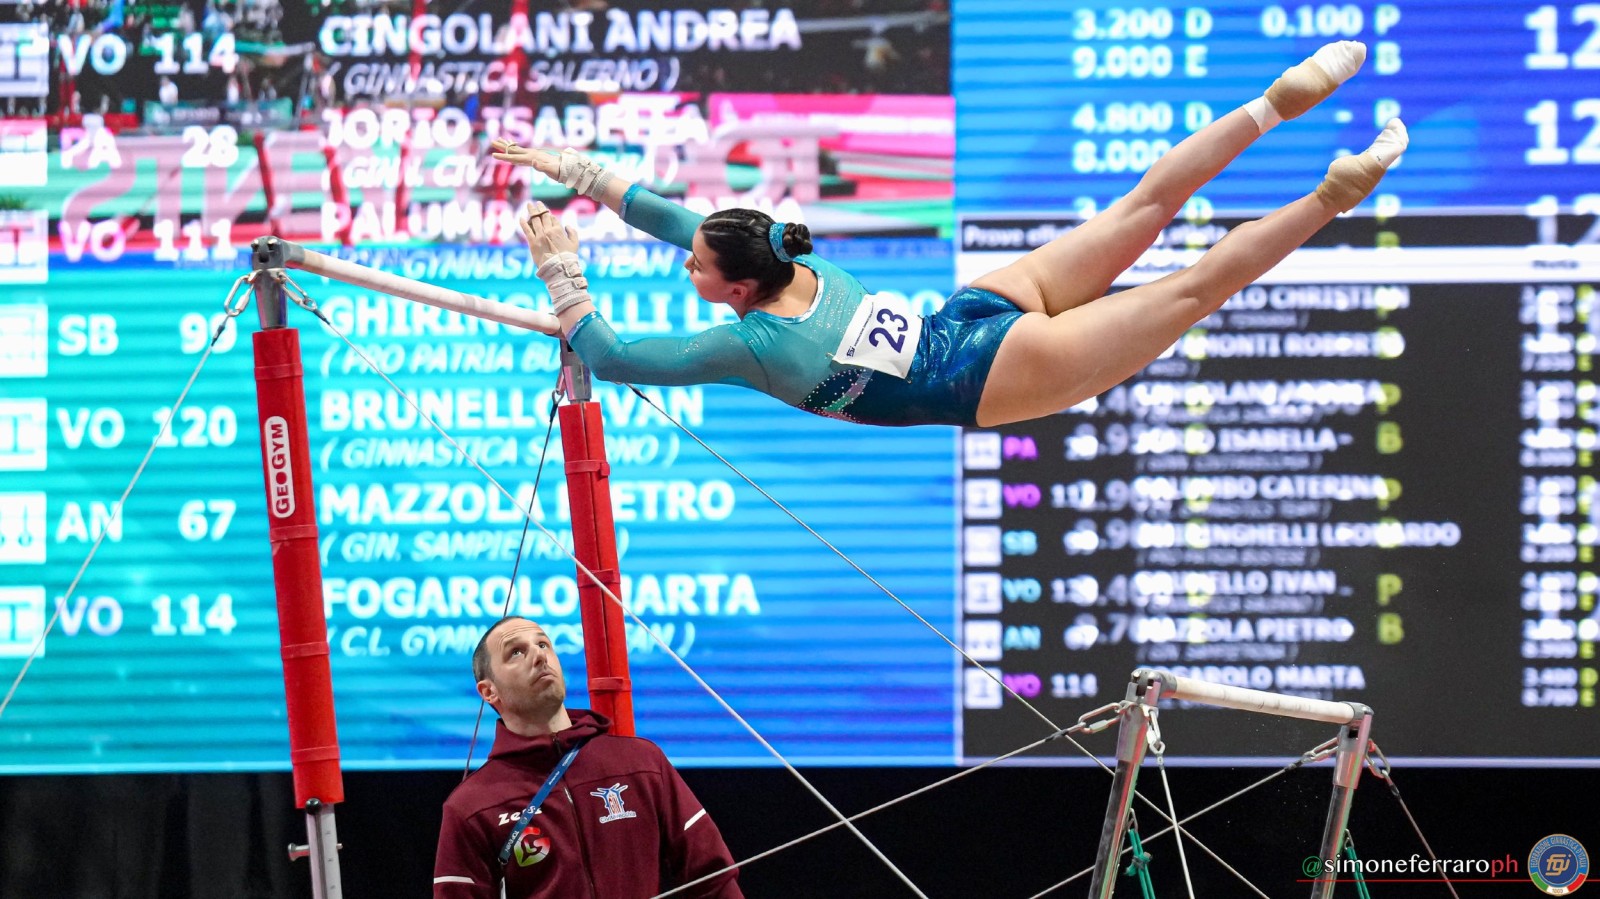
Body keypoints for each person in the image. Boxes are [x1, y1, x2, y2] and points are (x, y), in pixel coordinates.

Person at [497, 41, 1406, 428]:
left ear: (736, 290)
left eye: (696, 266)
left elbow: (614, 355)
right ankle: (1274, 102)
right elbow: (672, 217)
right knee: (1140, 209)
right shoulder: (783, 253)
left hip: (993, 375)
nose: (686, 261)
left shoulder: (754, 345)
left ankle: (1333, 193)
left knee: (1191, 289)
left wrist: (560, 269)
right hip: (972, 313)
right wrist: (576, 167)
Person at [434, 617, 742, 898]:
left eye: (543, 644)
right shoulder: (471, 806)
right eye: (516, 652)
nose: (539, 656)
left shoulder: (642, 763)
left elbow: (713, 879)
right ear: (488, 692)